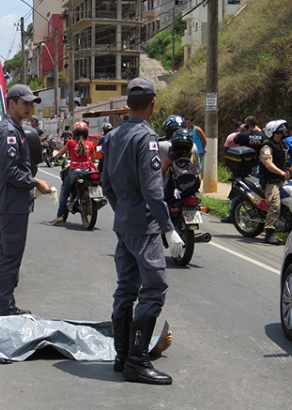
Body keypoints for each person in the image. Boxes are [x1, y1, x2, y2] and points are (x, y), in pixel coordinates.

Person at [102, 77, 183, 385]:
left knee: (125, 288)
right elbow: (153, 190)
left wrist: (122, 208)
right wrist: (168, 229)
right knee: (154, 289)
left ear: (128, 104)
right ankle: (137, 360)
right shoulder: (146, 138)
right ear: (153, 104)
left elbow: (106, 183)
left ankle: (122, 356)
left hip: (123, 222)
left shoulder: (114, 136)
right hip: (144, 226)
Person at [0, 85, 52, 317]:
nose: (29, 107)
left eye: (31, 103)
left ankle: (6, 306)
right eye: (24, 103)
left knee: (9, 256)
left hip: (14, 202)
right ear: (12, 103)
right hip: (12, 203)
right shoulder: (8, 131)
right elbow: (9, 171)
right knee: (9, 258)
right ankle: (5, 310)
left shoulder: (15, 129)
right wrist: (35, 183)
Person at [51, 121, 96, 225]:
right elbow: (93, 159)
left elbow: (60, 153)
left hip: (75, 172)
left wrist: (55, 156)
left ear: (75, 132)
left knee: (65, 193)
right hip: (87, 171)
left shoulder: (71, 143)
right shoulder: (89, 144)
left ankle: (59, 216)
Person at [260, 120, 291, 245]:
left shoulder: (282, 146)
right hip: (270, 181)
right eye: (278, 132)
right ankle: (269, 233)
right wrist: (282, 173)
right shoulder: (266, 148)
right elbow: (268, 164)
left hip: (281, 180)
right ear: (271, 133)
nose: (280, 135)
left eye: (281, 133)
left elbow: (287, 162)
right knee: (275, 205)